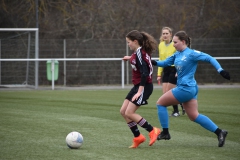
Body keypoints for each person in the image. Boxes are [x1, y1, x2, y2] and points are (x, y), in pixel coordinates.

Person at [151, 31, 230, 147]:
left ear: (183, 42)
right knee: (194, 116)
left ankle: (166, 132)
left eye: (175, 42)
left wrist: (220, 70)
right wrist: (150, 62)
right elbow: (163, 63)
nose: (173, 44)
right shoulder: (177, 54)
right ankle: (220, 132)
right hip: (190, 89)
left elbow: (210, 58)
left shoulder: (192, 54)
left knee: (160, 104)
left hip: (186, 89)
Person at [121, 30, 161, 148]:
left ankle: (152, 130)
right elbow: (140, 61)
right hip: (137, 86)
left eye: (129, 42)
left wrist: (139, 91)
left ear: (135, 41)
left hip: (144, 87)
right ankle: (138, 137)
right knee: (123, 111)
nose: (128, 44)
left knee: (129, 112)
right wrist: (129, 58)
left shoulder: (140, 53)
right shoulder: (137, 52)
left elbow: (145, 72)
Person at [157, 27, 185, 117]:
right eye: (163, 33)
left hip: (174, 69)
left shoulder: (174, 44)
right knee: (165, 93)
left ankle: (176, 111)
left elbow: (180, 58)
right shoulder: (160, 45)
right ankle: (181, 102)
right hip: (166, 69)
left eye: (166, 33)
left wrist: (178, 70)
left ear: (171, 34)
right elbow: (160, 59)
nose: (165, 35)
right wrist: (159, 74)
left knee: (170, 92)